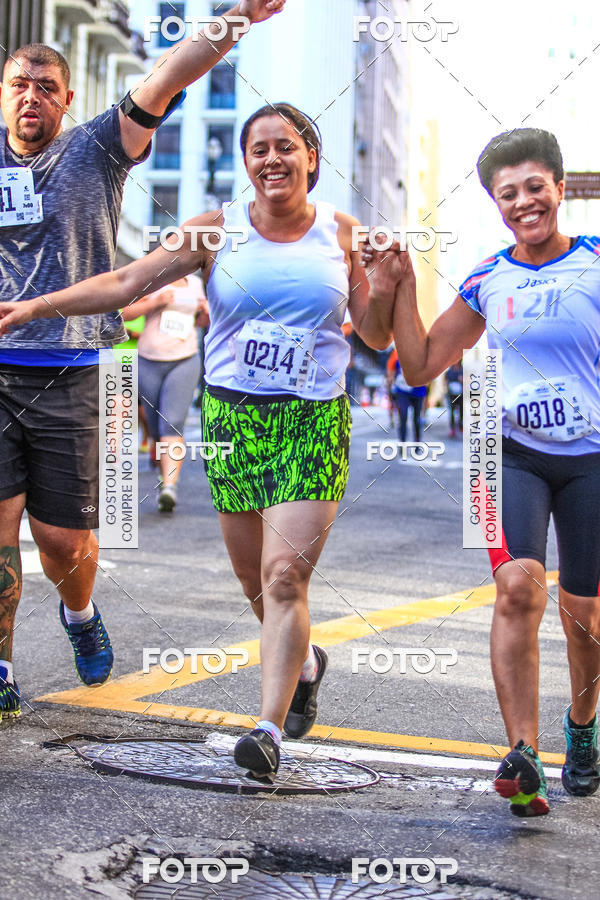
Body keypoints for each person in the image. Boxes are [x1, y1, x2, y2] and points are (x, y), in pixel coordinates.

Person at [0, 103, 394, 782]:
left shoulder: (342, 232)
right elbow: (126, 282)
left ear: (312, 159)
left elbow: (379, 335)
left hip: (312, 421)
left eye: (285, 147)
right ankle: (303, 662)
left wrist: (386, 285)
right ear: (246, 164)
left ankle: (267, 729)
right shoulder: (216, 232)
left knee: (283, 575)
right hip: (236, 419)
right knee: (254, 581)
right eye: (259, 150)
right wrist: (36, 306)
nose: (272, 160)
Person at [0, 0, 286, 720]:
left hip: (68, 368)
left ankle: (79, 611)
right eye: (16, 84)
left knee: (62, 541)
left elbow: (168, 73)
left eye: (44, 86)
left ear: (66, 100)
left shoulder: (95, 147)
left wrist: (237, 19)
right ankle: (1, 669)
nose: (29, 96)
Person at [362, 127, 600, 818]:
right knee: (516, 589)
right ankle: (521, 753)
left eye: (534, 188)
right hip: (507, 455)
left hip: (590, 458)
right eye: (508, 194)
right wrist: (401, 286)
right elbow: (419, 363)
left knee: (585, 617)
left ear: (559, 187)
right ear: (495, 204)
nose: (523, 203)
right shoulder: (486, 278)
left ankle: (581, 728)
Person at [121, 276, 208, 512]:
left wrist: (205, 313)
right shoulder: (151, 279)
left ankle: (170, 486)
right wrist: (155, 302)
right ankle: (164, 477)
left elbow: (202, 321)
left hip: (184, 358)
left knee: (173, 422)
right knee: (155, 425)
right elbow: (124, 314)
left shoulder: (195, 284)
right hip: (148, 360)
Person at [386, 347, 428, 442]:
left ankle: (417, 442)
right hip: (402, 391)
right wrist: (390, 383)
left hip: (418, 390)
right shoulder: (396, 353)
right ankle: (403, 443)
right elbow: (390, 371)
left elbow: (428, 369)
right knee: (403, 417)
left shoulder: (422, 350)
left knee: (416, 419)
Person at [445, 361, 463, 437]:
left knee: (461, 411)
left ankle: (460, 425)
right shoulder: (449, 371)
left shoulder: (463, 370)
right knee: (451, 411)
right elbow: (446, 381)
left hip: (461, 394)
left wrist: (463, 380)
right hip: (451, 394)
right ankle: (452, 429)